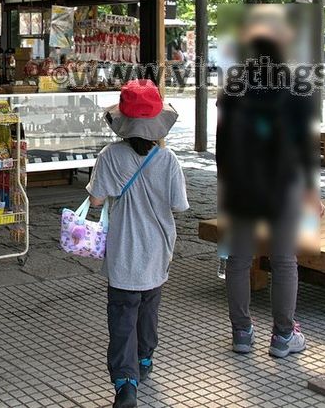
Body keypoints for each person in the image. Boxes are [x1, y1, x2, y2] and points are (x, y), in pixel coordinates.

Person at [215, 15, 323, 359]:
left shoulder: (234, 86)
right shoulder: (296, 85)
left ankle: (242, 334)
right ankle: (282, 337)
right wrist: (311, 191)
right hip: (283, 184)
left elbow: (222, 145)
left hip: (241, 184)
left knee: (238, 259)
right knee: (284, 260)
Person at [87, 79, 189, 407]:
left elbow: (98, 200)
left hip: (122, 251)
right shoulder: (168, 160)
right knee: (149, 308)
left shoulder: (110, 156)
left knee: (121, 314)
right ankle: (145, 359)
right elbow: (178, 206)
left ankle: (125, 383)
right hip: (158, 249)